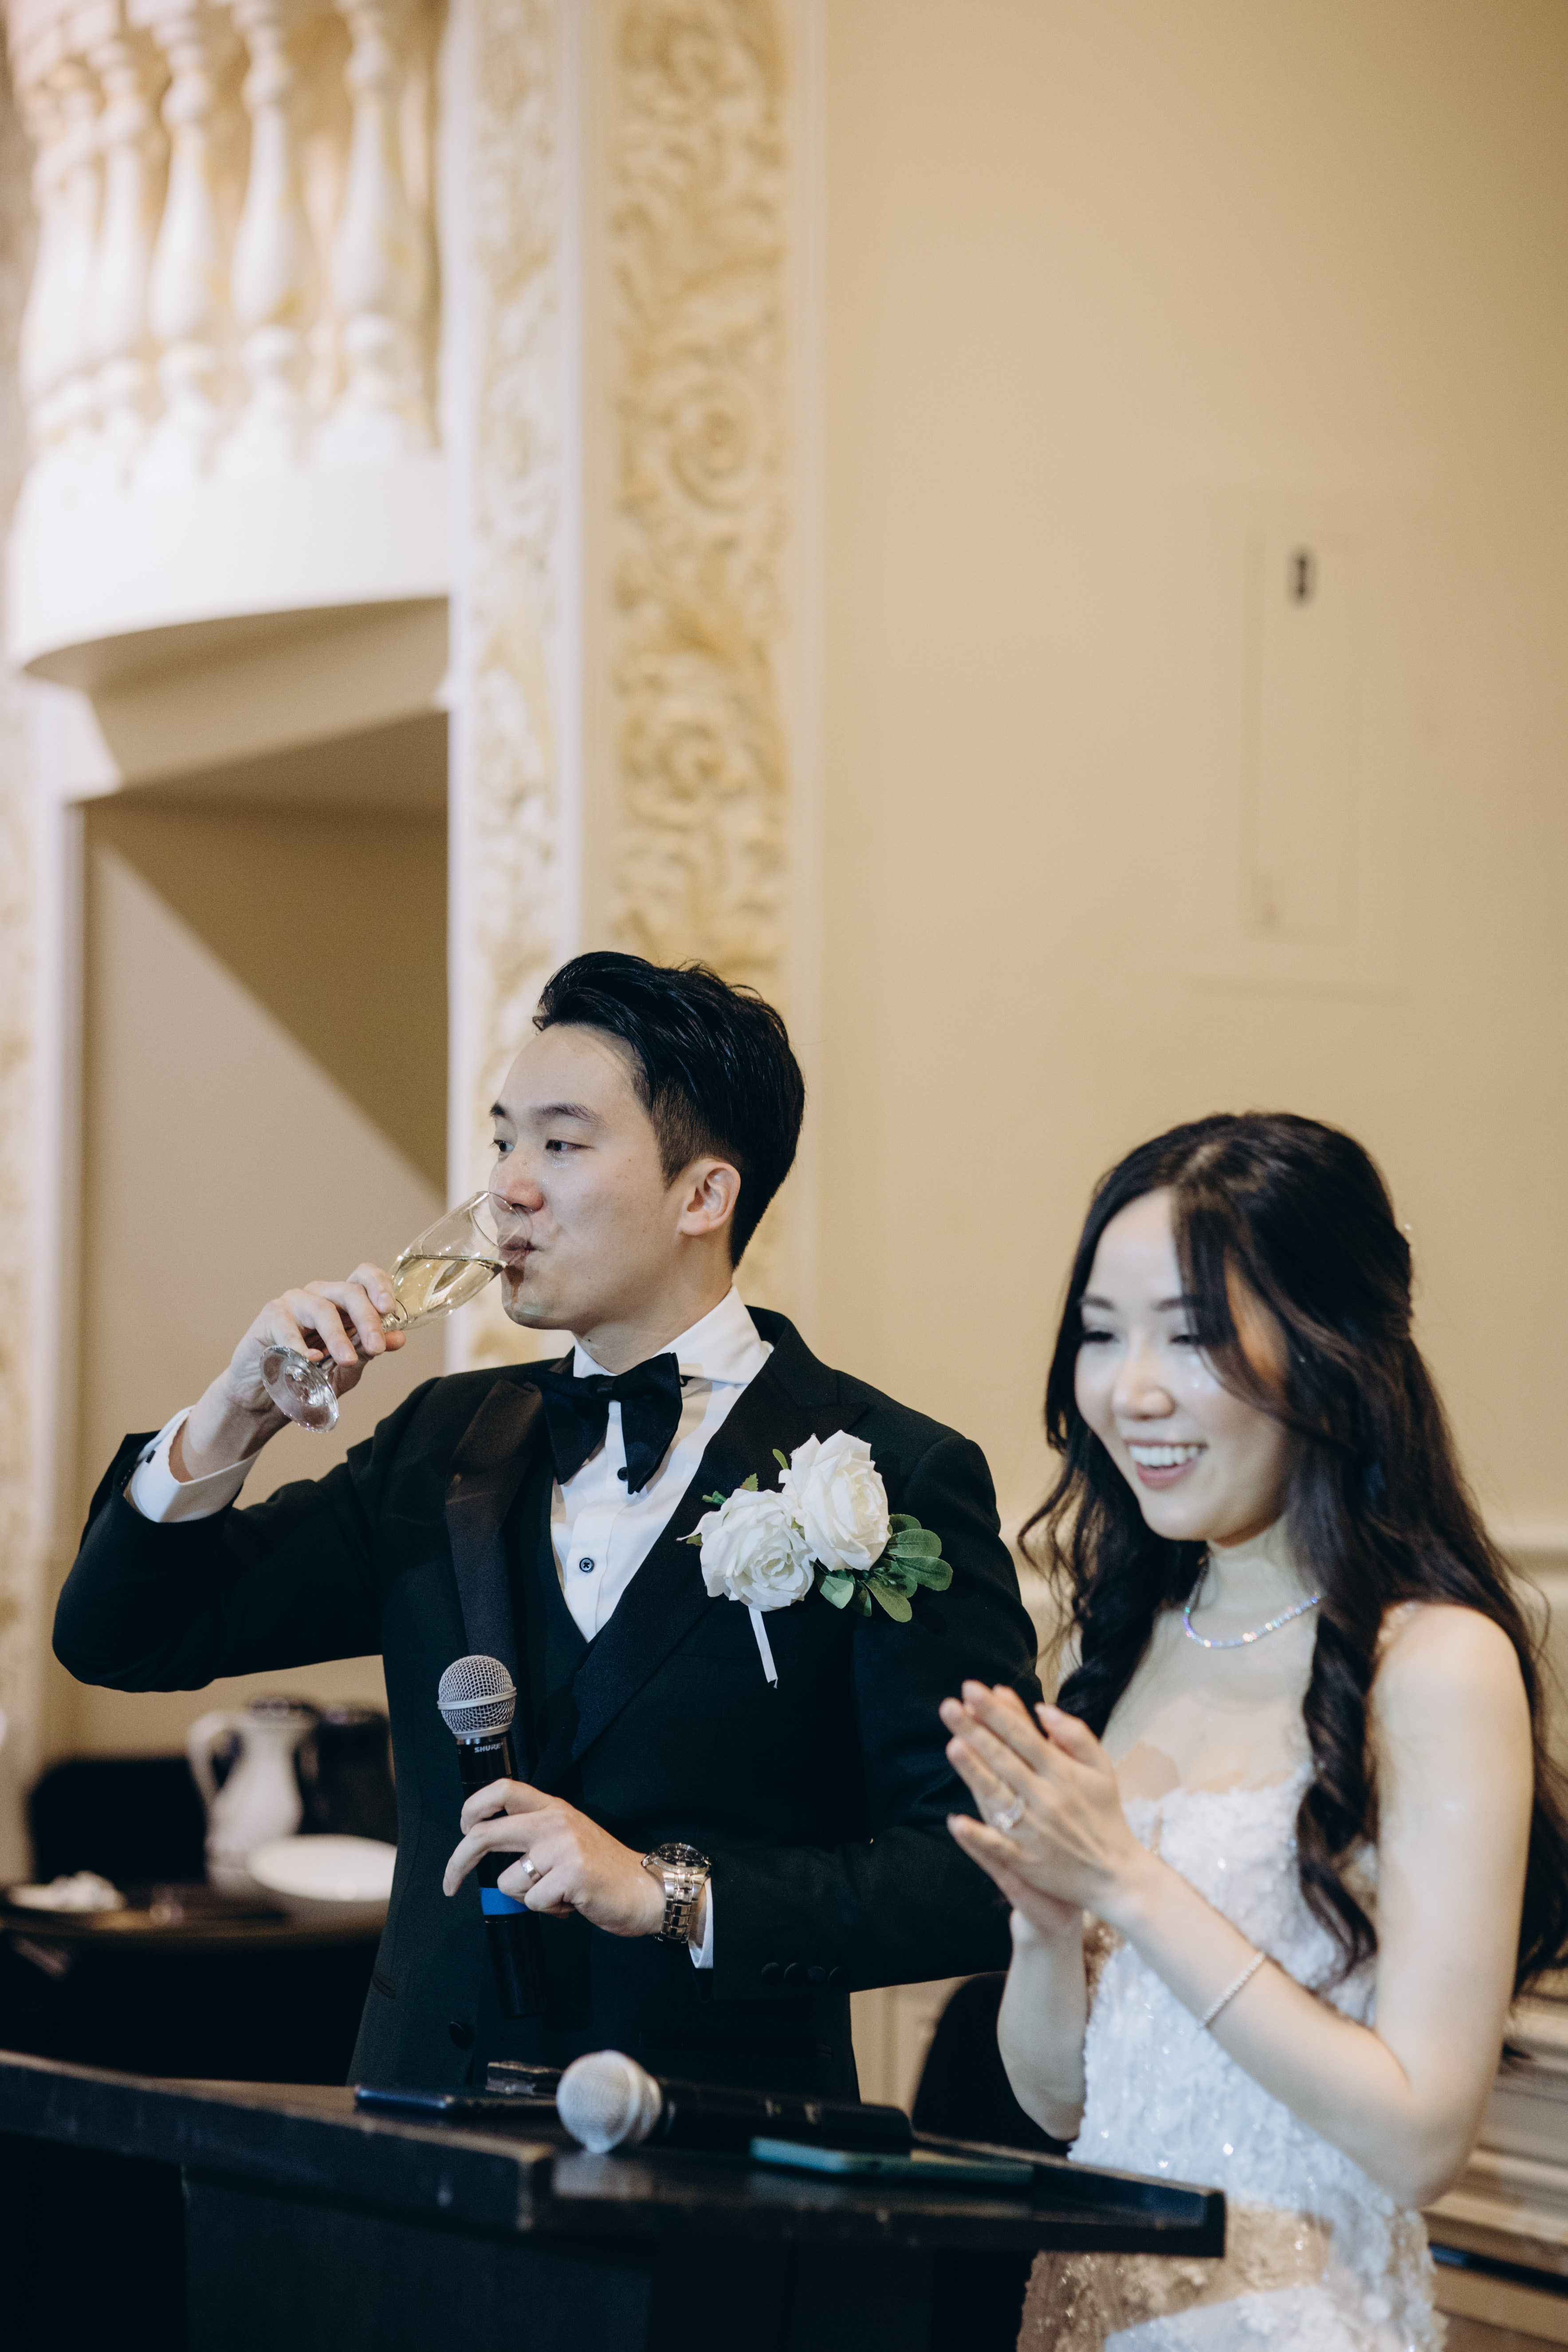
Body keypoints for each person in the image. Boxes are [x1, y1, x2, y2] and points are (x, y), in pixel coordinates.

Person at [56, 952, 1040, 2094]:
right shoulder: (443, 1443)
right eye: (502, 1143)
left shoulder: (889, 1475)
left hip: (718, 2140)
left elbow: (976, 1872)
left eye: (561, 1146)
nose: (508, 1190)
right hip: (424, 2117)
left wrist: (670, 1895)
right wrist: (233, 1415)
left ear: (703, 1196)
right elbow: (123, 1638)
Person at [939, 1112, 1568, 2350]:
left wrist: (1130, 1883)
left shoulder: (1435, 1664)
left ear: (1334, 1351)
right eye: (1102, 1334)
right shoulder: (1134, 1643)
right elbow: (1060, 2102)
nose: (1132, 1391)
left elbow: (1420, 2139)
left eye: (1193, 1336)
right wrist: (1047, 1926)